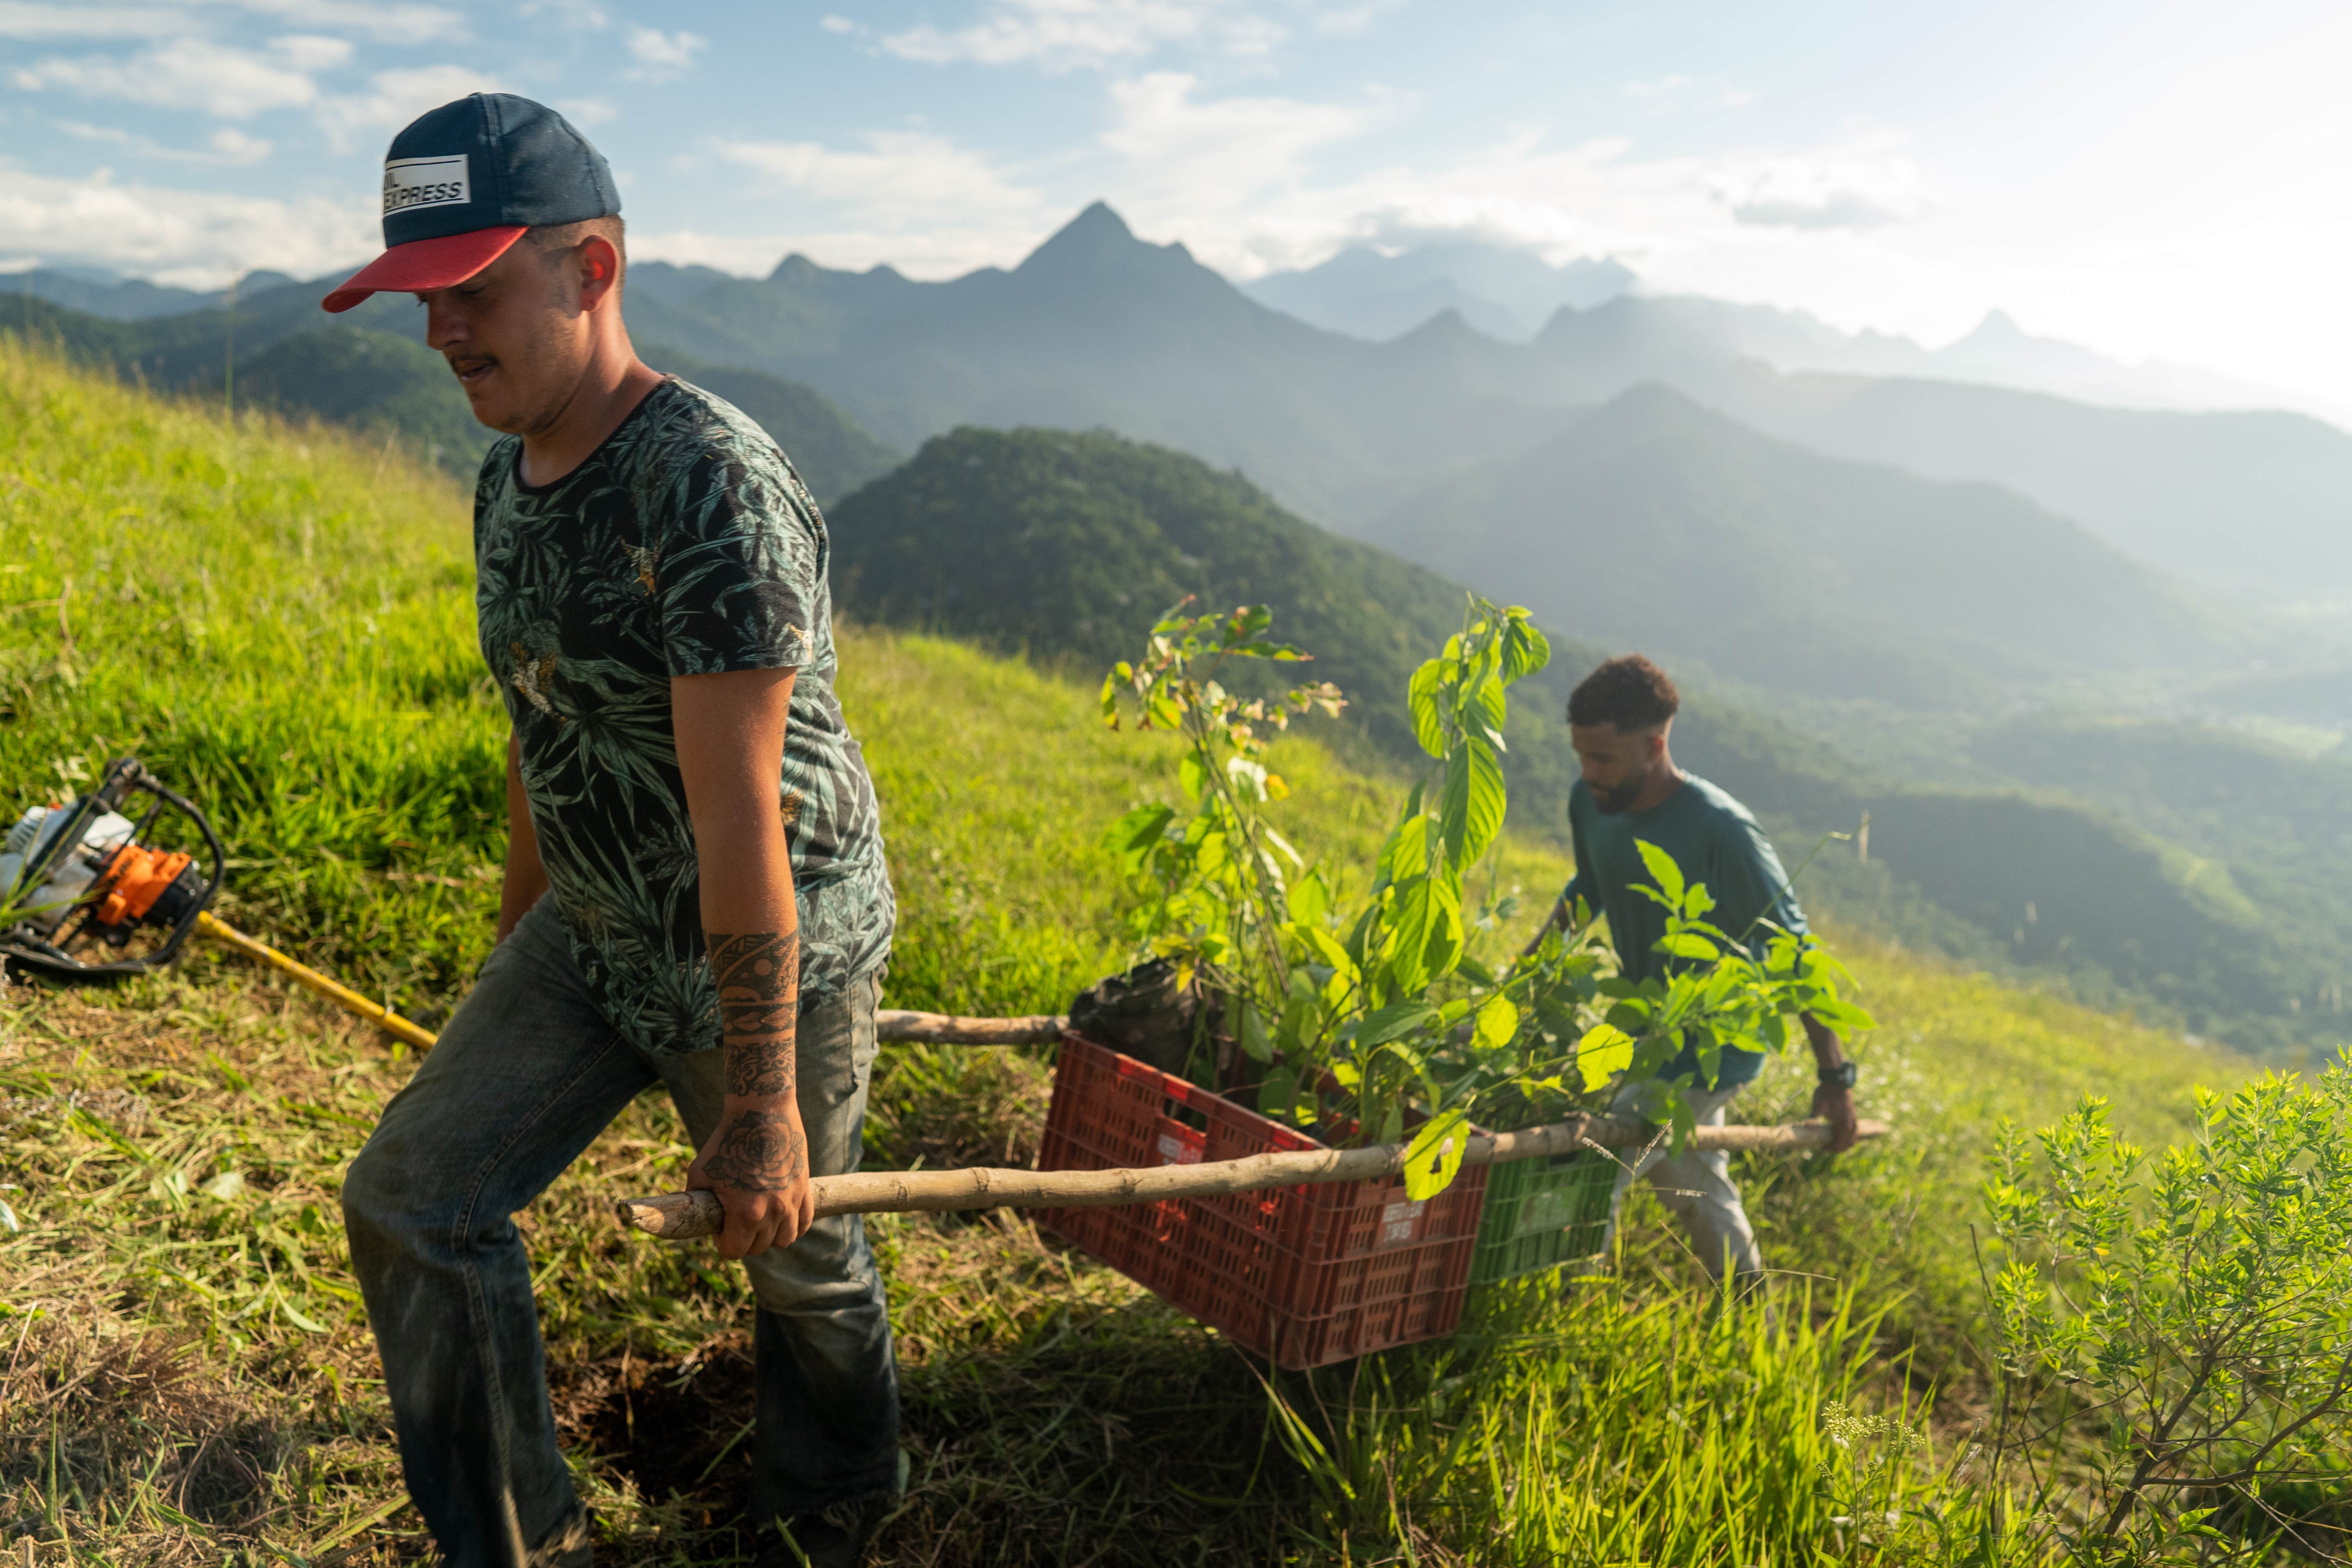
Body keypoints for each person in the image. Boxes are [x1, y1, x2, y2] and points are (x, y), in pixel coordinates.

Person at [330, 95, 900, 1568]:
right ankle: (520, 1542)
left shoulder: (706, 484)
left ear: (592, 270)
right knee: (412, 1202)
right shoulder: (506, 478)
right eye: (421, 300)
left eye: (473, 290)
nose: (442, 333)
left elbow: (741, 816)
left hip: (759, 936)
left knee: (799, 1256)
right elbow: (542, 728)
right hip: (596, 925)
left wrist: (761, 1106)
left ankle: (833, 1508)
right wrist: (516, 949)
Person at [1524, 654, 1858, 1285]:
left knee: (1595, 1165)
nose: (1588, 773)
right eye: (1581, 756)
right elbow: (1586, 889)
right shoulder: (1591, 802)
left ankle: (1556, 1306)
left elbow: (1794, 952)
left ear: (1654, 747)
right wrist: (1522, 984)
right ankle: (1750, 1310)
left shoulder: (1722, 831)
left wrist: (1835, 1077)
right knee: (1695, 1183)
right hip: (1647, 1033)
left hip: (1712, 1043)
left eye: (1603, 759)